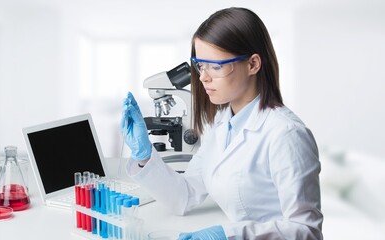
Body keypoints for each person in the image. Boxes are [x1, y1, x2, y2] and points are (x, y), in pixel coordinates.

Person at [121, 7, 323, 240]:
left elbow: (307, 231)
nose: (203, 77)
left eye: (215, 66)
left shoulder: (286, 134)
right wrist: (144, 156)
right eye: (200, 65)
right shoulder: (222, 122)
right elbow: (184, 196)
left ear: (253, 64)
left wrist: (228, 236)